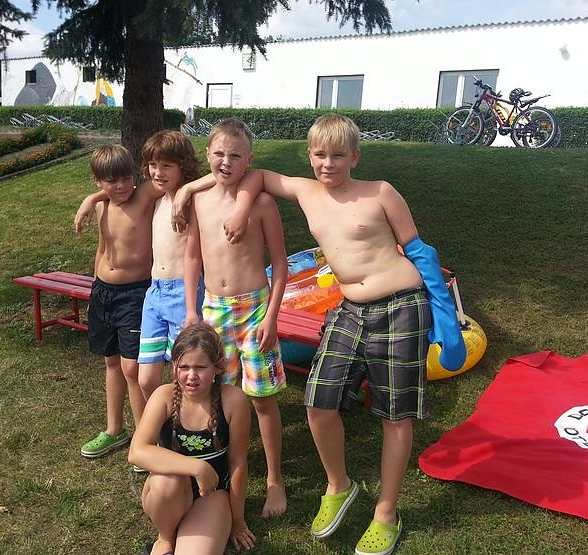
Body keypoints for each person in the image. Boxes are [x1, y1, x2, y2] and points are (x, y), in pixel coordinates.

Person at [175, 114, 466, 555]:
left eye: (337, 156)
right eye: (319, 155)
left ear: (355, 157)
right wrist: (192, 191)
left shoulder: (380, 192)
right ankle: (338, 484)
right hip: (350, 306)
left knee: (395, 416)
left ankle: (386, 512)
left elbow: (420, 253)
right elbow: (251, 174)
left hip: (401, 304)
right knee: (318, 401)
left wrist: (445, 318)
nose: (328, 164)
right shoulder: (305, 191)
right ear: (309, 155)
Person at [183, 117, 289, 518]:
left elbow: (281, 265)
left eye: (235, 155)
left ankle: (275, 479)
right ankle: (223, 465)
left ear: (249, 160)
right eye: (219, 153)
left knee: (261, 399)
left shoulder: (261, 204)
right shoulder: (199, 201)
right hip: (213, 311)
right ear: (207, 154)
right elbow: (192, 257)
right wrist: (191, 310)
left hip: (255, 311)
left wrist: (271, 317)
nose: (225, 162)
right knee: (221, 394)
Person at [76, 131, 209, 415]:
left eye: (166, 166)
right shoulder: (147, 200)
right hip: (145, 292)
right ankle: (152, 427)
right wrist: (91, 198)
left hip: (172, 291)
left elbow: (217, 179)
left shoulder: (178, 199)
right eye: (153, 165)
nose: (158, 172)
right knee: (139, 375)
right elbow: (117, 195)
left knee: (178, 369)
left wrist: (186, 190)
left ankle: (184, 425)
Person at [129, 323, 255, 555]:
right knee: (167, 482)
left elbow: (238, 463)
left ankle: (195, 529)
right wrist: (198, 468)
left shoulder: (233, 400)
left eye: (200, 367)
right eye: (183, 367)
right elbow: (137, 451)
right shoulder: (163, 396)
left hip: (212, 493)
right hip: (168, 494)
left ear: (218, 367)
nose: (191, 376)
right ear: (174, 366)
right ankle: (165, 537)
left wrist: (238, 521)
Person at [78, 144, 158, 460]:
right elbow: (103, 247)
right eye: (112, 181)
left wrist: (91, 196)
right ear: (98, 181)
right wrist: (93, 199)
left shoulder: (143, 198)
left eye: (126, 178)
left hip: (135, 294)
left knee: (132, 367)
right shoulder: (102, 205)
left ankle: (144, 439)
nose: (122, 186)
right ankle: (114, 430)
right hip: (103, 292)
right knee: (111, 362)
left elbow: (172, 180)